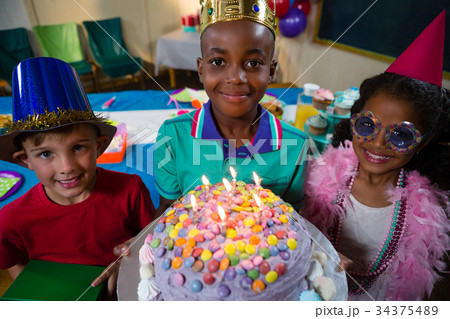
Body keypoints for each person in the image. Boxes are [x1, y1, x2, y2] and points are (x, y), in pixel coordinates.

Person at [301, 11, 450, 301]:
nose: (379, 143)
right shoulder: (316, 176)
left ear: (423, 141)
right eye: (368, 125)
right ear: (355, 120)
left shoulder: (431, 215)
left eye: (401, 135)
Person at [0, 57, 155, 299]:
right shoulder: (10, 218)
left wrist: (130, 256)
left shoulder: (131, 190)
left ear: (99, 146)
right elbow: (13, 264)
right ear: (24, 160)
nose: (67, 167)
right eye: (46, 154)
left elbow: (152, 241)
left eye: (79, 148)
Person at [154, 0, 308, 216]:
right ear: (201, 69)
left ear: (271, 71)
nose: (236, 78)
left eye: (253, 63)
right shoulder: (172, 135)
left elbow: (293, 217)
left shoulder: (296, 145)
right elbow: (166, 210)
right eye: (218, 62)